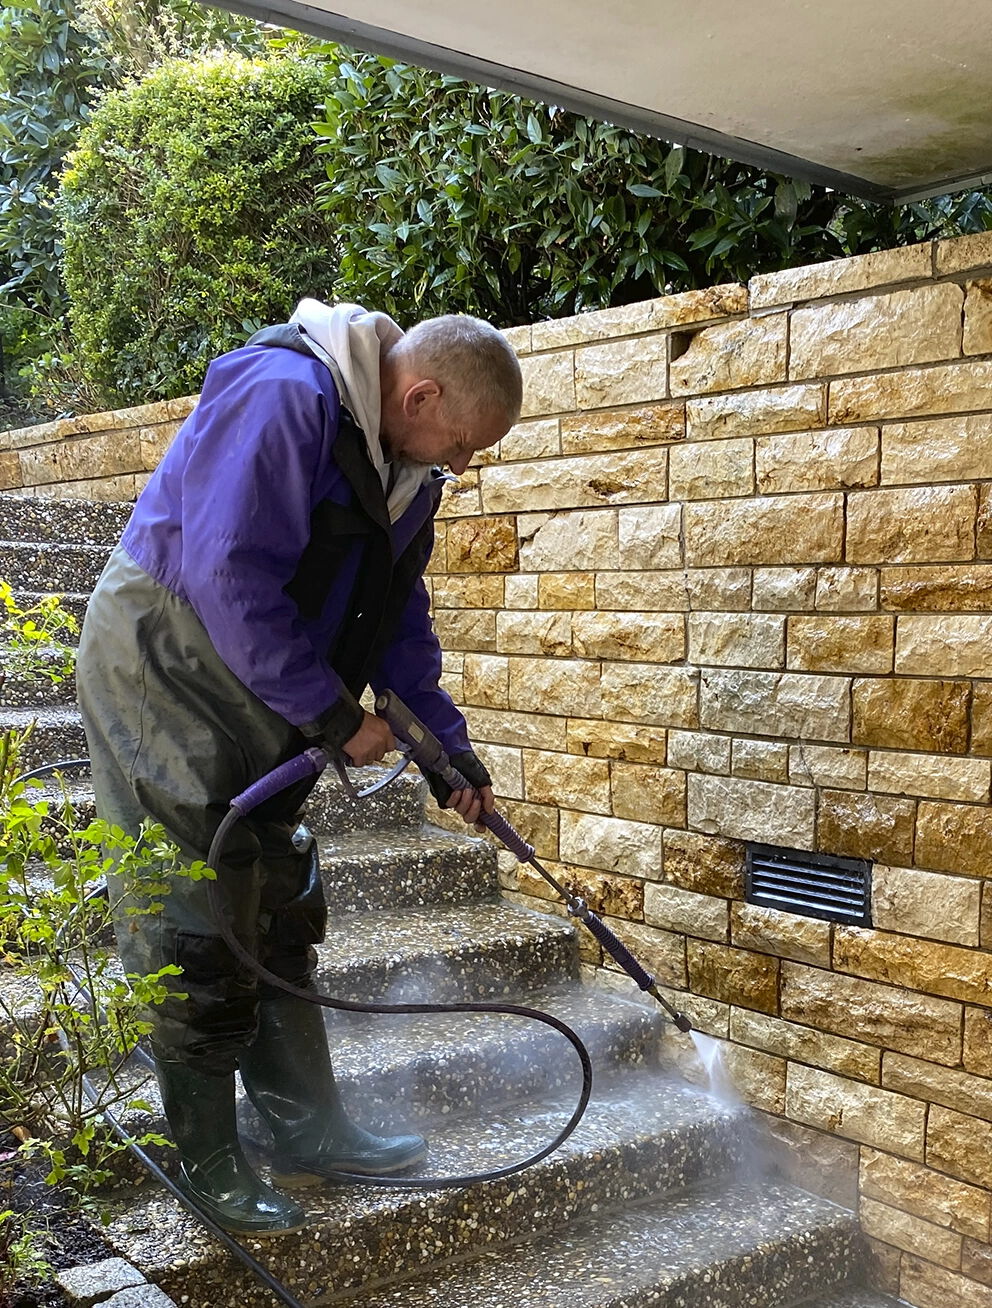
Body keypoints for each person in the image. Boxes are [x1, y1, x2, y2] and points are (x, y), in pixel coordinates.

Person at [76, 301, 523, 1235]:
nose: (462, 464)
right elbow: (228, 570)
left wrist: (450, 753)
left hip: (262, 681)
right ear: (421, 391)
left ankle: (306, 1127)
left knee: (279, 891)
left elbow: (397, 625)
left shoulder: (408, 474)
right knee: (196, 908)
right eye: (464, 442)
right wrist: (331, 716)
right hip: (166, 663)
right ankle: (204, 1154)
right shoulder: (283, 394)